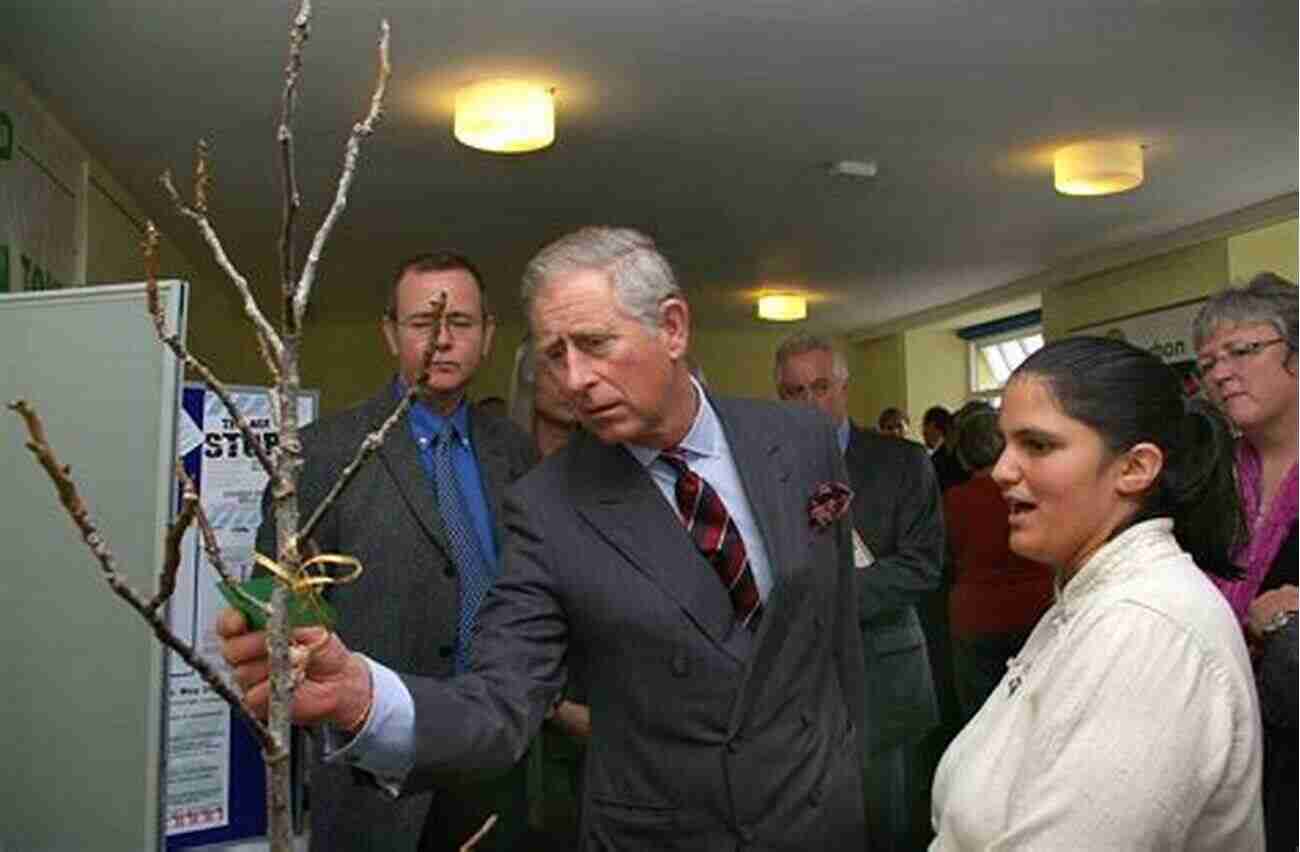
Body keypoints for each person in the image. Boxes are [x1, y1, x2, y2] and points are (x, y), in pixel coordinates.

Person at [225, 227, 869, 850]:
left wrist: (849, 767)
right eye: (555, 355)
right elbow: (504, 691)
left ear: (673, 328)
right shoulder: (547, 503)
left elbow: (834, 632)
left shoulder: (802, 442)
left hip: (818, 814)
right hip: (661, 827)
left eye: (594, 343)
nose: (575, 380)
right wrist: (364, 697)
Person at [930, 336, 1263, 850]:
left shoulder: (1146, 630)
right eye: (1005, 443)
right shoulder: (1088, 599)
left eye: (1037, 445)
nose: (1001, 470)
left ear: (1134, 468)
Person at [254, 251, 538, 852]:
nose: (441, 339)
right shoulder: (321, 454)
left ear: (487, 336)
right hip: (375, 773)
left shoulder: (516, 454)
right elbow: (278, 614)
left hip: (494, 760)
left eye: (460, 323)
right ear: (390, 334)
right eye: (420, 323)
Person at [774, 332, 943, 852]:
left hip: (882, 681)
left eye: (820, 387)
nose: (808, 402)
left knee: (887, 822)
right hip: (795, 687)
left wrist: (826, 596)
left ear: (844, 388)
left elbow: (922, 567)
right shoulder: (766, 470)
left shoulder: (902, 462)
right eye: (794, 391)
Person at [1191, 272, 1298, 851]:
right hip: (1221, 743)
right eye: (1208, 363)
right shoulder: (1211, 482)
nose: (1221, 374)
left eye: (1243, 351)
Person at [941, 402, 1052, 723]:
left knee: (983, 723)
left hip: (975, 620)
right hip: (1036, 612)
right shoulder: (1033, 490)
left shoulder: (953, 501)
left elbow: (945, 560)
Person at [921, 405, 968, 492]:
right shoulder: (965, 457)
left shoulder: (937, 460)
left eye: (924, 427)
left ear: (932, 425)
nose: (923, 433)